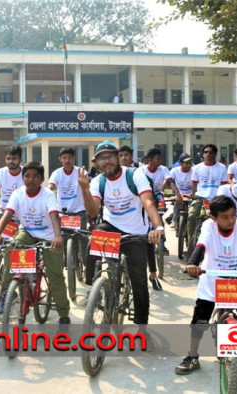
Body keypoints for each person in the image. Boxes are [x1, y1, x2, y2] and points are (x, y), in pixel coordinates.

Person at [176, 196, 237, 379]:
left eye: (233, 215)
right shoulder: (208, 226)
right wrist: (192, 263)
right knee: (199, 320)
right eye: (225, 217)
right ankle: (192, 356)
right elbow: (202, 245)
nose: (231, 220)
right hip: (212, 281)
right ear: (213, 217)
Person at [77, 141, 164, 332]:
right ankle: (93, 288)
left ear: (117, 158)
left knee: (138, 281)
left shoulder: (135, 175)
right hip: (111, 227)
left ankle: (141, 327)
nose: (107, 161)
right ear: (97, 162)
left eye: (110, 156)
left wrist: (157, 226)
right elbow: (92, 211)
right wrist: (84, 189)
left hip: (136, 233)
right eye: (102, 158)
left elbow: (148, 201)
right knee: (94, 238)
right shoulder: (97, 182)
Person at [0, 162, 70, 324]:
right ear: (22, 178)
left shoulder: (47, 194)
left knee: (55, 276)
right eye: (27, 176)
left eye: (35, 176)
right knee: (11, 248)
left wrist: (57, 236)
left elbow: (54, 216)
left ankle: (63, 313)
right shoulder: (18, 194)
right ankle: (7, 293)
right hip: (27, 232)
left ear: (41, 179)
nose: (31, 179)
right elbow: (8, 213)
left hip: (48, 236)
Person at [140, 148, 171, 285]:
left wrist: (169, 191)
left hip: (157, 196)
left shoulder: (163, 169)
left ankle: (161, 237)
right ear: (150, 160)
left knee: (159, 218)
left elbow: (168, 181)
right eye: (157, 158)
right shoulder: (141, 171)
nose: (160, 161)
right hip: (144, 197)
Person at [187, 144, 228, 247]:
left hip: (215, 199)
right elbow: (194, 185)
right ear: (202, 154)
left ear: (215, 154)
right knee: (192, 216)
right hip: (200, 198)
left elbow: (223, 185)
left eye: (210, 152)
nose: (208, 154)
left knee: (216, 221)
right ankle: (191, 244)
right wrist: (193, 198)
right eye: (205, 152)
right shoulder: (196, 168)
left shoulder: (222, 168)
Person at [48, 147, 87, 228]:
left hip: (79, 212)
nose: (67, 160)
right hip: (62, 213)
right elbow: (50, 187)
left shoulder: (81, 172)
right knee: (62, 238)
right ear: (60, 159)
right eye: (64, 158)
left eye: (69, 158)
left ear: (74, 159)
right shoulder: (56, 173)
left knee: (81, 238)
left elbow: (87, 187)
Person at [166, 153, 193, 228]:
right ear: (181, 163)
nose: (189, 165)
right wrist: (177, 194)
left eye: (190, 163)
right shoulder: (174, 171)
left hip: (191, 195)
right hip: (180, 195)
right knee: (176, 203)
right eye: (186, 163)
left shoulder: (194, 170)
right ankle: (174, 220)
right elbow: (170, 182)